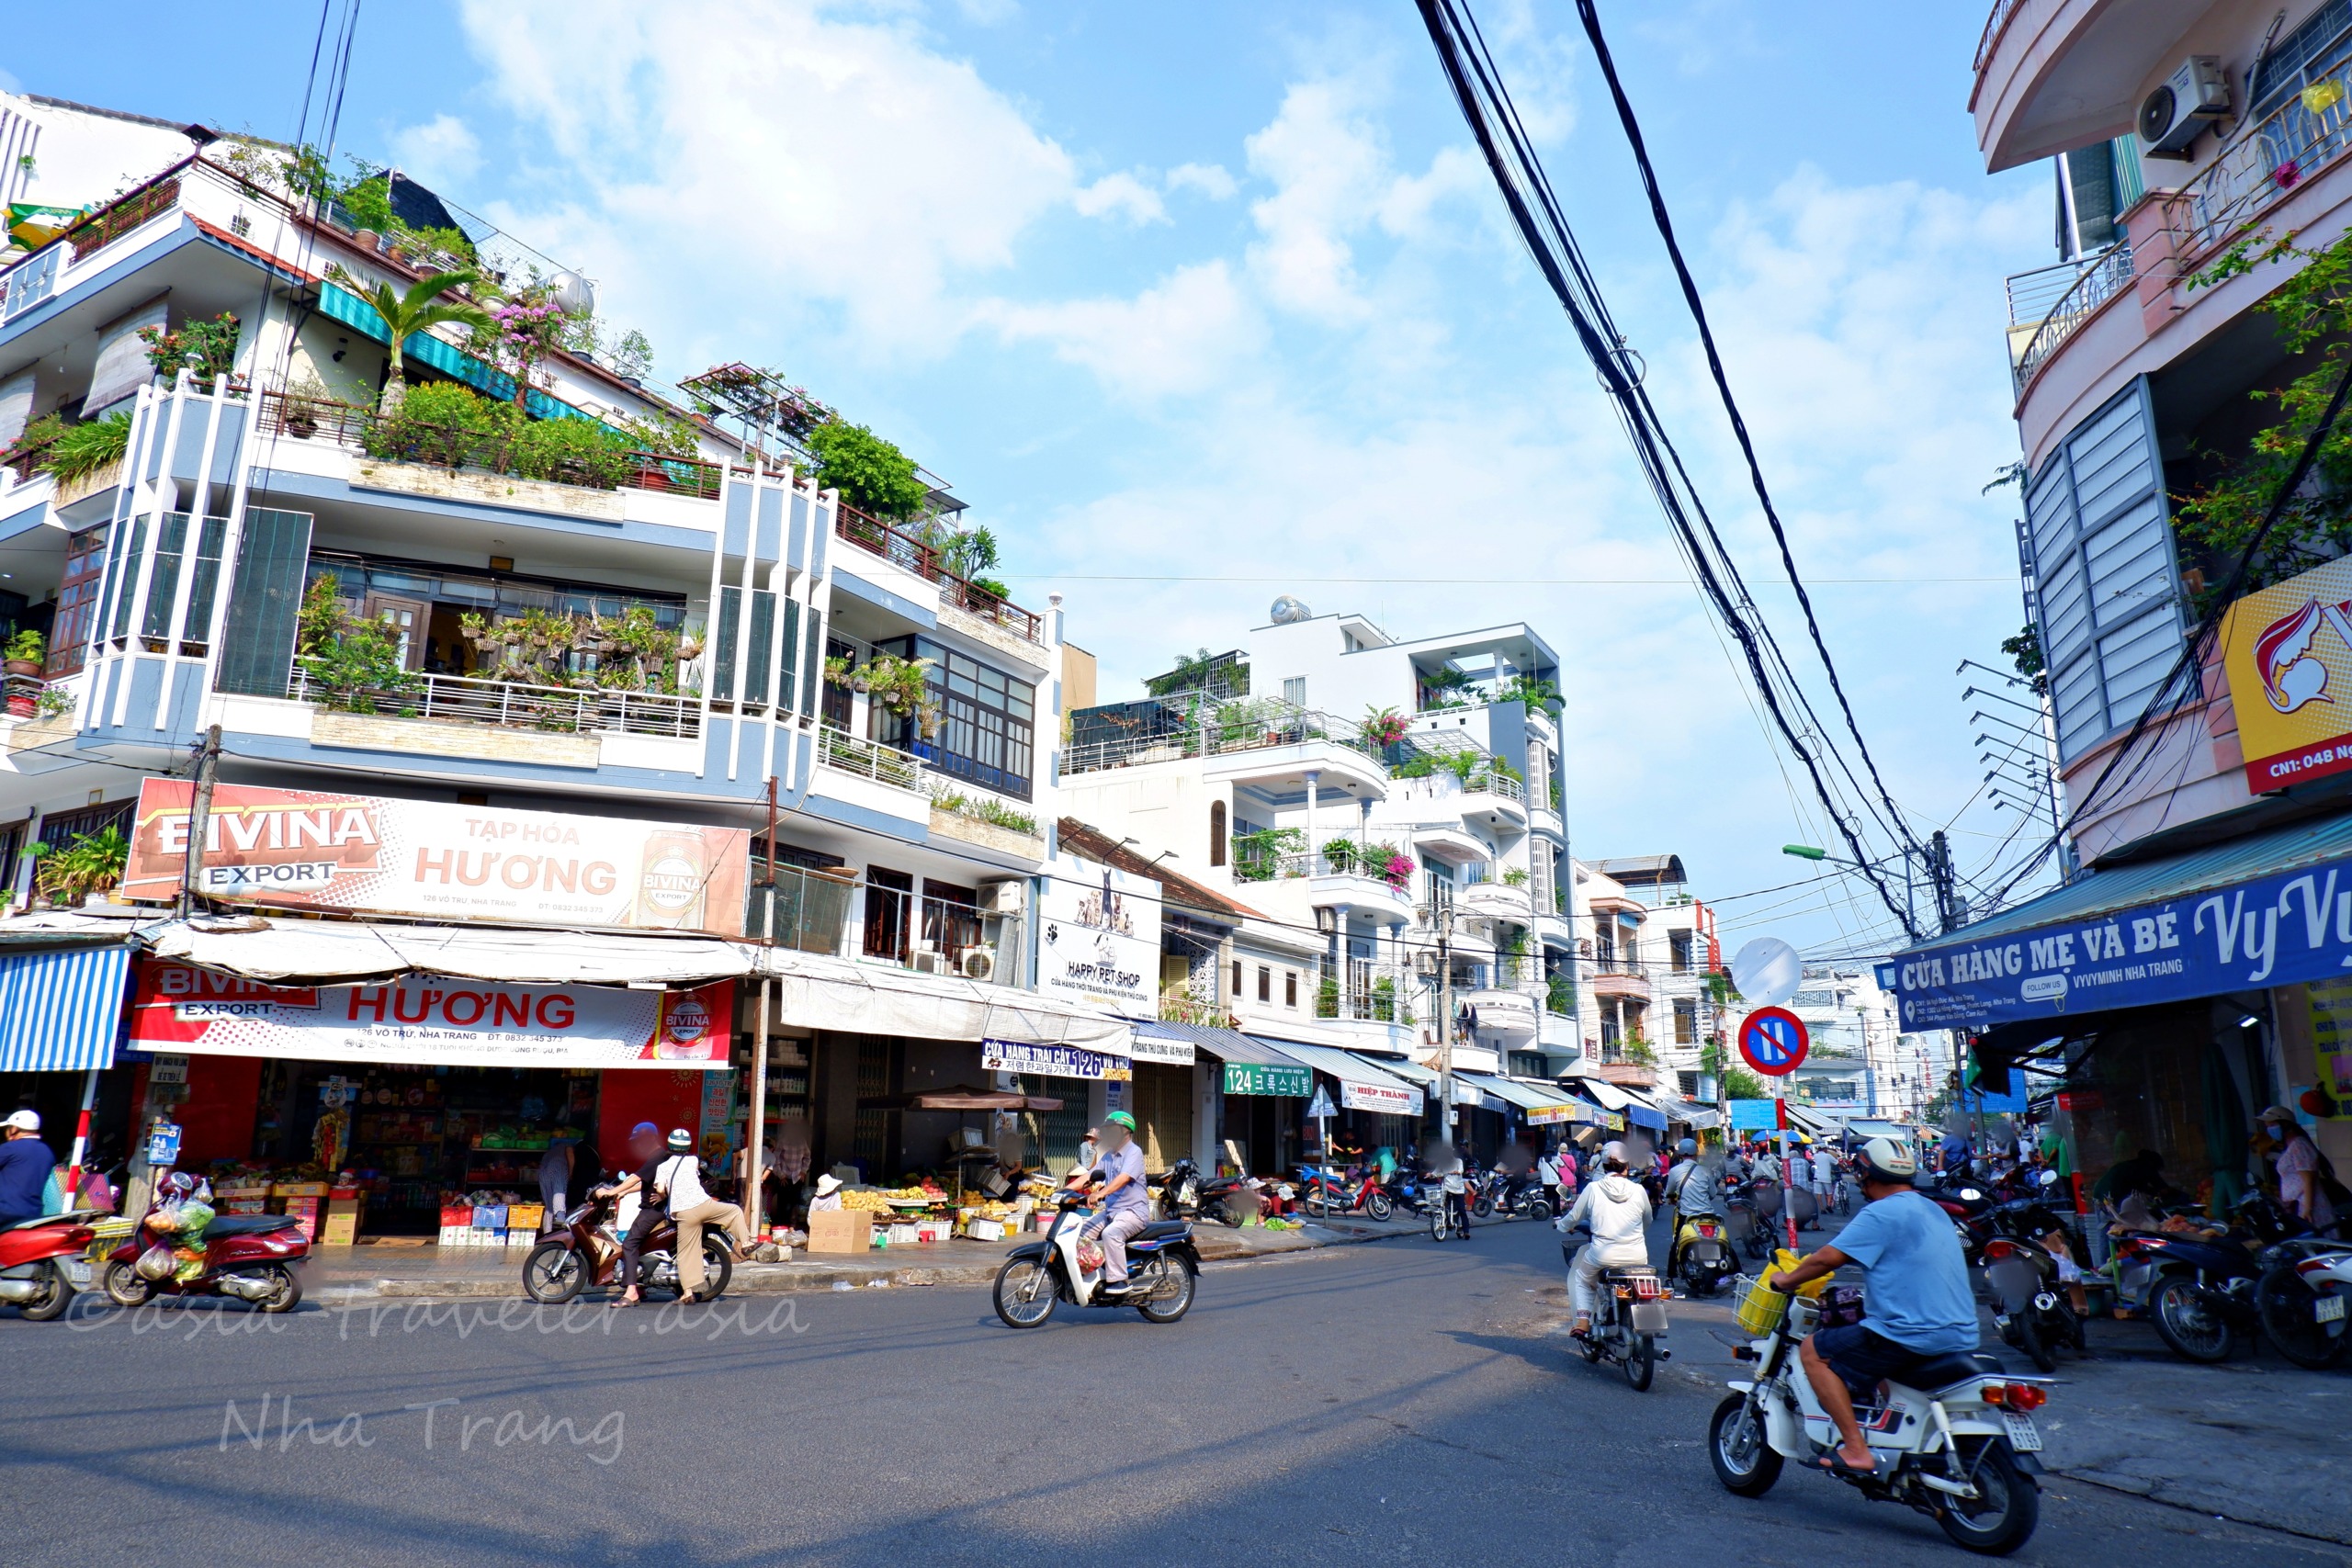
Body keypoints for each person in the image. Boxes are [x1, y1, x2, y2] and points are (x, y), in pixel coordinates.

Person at [1767, 1135, 1978, 1477]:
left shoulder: (1882, 1212)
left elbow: (1826, 1258)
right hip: (1962, 1332)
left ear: (1867, 1175)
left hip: (1910, 1334)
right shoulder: (1933, 1208)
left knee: (1813, 1351)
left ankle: (1855, 1449)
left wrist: (1786, 1280)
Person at [1556, 1141, 1652, 1337]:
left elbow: (1574, 1217)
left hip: (1602, 1255)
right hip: (1637, 1256)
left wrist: (1562, 1225)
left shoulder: (1593, 1188)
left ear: (1603, 1164)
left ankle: (1583, 1321)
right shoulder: (1638, 1190)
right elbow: (1647, 1220)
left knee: (1582, 1279)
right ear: (1627, 1164)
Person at [657, 1128, 754, 1303]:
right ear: (688, 1146)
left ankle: (687, 1292)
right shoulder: (693, 1160)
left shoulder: (662, 1167)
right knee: (734, 1211)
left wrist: (665, 1195)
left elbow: (660, 1190)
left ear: (669, 1145)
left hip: (684, 1213)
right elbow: (698, 1170)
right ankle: (746, 1243)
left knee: (686, 1252)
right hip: (704, 1205)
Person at [1077, 1111, 1152, 1297]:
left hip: (1134, 1213)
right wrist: (1063, 1191)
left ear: (1125, 1131)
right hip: (1112, 1211)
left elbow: (1124, 1178)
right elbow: (1089, 1175)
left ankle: (1119, 1280)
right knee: (1080, 1233)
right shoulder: (1109, 1156)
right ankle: (1096, 1272)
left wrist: (1101, 1193)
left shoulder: (1134, 1152)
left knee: (1111, 1234)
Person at [595, 1123, 667, 1308]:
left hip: (654, 1210)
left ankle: (632, 1292)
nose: (638, 1144)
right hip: (651, 1208)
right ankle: (640, 1285)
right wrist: (624, 1192)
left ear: (651, 1139)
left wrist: (611, 1192)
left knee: (629, 1243)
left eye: (640, 1140)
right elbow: (645, 1182)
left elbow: (636, 1177)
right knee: (639, 1244)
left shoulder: (658, 1157)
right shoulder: (656, 1157)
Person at [2263, 1106, 2340, 1231]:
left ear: (2285, 1124)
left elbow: (2308, 1179)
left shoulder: (2299, 1145)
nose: (2270, 1129)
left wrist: (2307, 1209)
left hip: (2307, 1207)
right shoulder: (2289, 1146)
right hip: (2296, 1206)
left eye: (2272, 1125)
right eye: (2268, 1126)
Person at [0, 1110, 56, 1226]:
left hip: (5, 1212)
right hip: (33, 1213)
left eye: (8, 1128)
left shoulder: (10, 1148)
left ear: (15, 1129)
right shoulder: (47, 1151)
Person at [537, 1134, 575, 1235]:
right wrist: (571, 1172)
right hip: (557, 1167)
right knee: (559, 1191)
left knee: (549, 1206)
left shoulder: (551, 1150)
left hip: (543, 1171)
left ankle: (547, 1233)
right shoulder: (567, 1146)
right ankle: (560, 1223)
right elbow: (570, 1154)